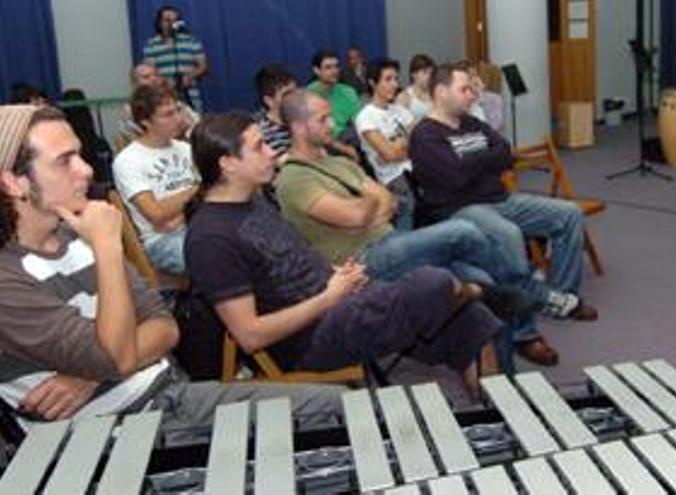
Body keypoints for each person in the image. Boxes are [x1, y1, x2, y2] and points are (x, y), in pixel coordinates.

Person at [0, 104, 342, 436]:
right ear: (14, 183)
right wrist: (107, 249)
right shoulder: (13, 276)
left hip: (168, 397)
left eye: (79, 154)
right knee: (333, 416)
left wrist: (91, 374)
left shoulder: (80, 235)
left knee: (338, 406)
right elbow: (115, 357)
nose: (86, 170)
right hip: (107, 435)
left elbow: (164, 326)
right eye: (64, 161)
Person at [184, 112, 502, 394]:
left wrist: (336, 272)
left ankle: (496, 411)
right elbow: (250, 335)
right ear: (227, 163)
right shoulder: (210, 239)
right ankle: (473, 291)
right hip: (310, 338)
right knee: (434, 283)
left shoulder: (252, 201)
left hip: (339, 300)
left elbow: (289, 262)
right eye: (258, 147)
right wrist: (329, 297)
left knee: (470, 318)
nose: (271, 152)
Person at [276, 89, 576, 368]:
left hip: (391, 242)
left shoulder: (339, 163)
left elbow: (389, 200)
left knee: (484, 283)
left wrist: (368, 208)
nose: (332, 124)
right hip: (362, 262)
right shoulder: (293, 179)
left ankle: (507, 383)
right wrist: (369, 203)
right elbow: (357, 215)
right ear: (299, 127)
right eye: (322, 119)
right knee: (462, 231)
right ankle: (539, 294)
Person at [410, 62, 598, 321]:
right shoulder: (424, 135)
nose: (471, 94)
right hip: (461, 209)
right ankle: (529, 319)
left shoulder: (471, 121)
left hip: (500, 199)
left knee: (569, 214)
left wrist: (471, 160)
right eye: (464, 89)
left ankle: (563, 298)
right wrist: (484, 158)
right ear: (441, 91)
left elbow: (505, 154)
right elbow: (455, 177)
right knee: (508, 235)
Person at [112, 84, 199, 274]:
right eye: (168, 114)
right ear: (145, 122)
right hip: (161, 242)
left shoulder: (186, 149)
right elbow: (156, 213)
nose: (178, 119)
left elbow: (211, 194)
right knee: (216, 256)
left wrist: (178, 213)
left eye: (177, 110)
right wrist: (195, 190)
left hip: (196, 226)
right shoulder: (128, 160)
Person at [355, 58, 416, 230]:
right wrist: (404, 143)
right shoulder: (366, 116)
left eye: (396, 79)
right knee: (410, 200)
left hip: (415, 167)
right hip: (393, 177)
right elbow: (388, 156)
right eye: (388, 79)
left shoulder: (400, 110)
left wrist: (397, 146)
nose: (395, 84)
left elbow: (422, 142)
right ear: (373, 83)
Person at [142, 5, 209, 112]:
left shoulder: (191, 41)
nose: (171, 24)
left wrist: (190, 76)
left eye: (175, 20)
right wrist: (165, 81)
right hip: (164, 96)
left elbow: (203, 66)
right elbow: (149, 71)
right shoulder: (151, 45)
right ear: (159, 23)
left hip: (190, 96)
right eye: (167, 20)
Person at [117, 64, 199, 146]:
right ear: (135, 84)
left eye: (156, 75)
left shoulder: (176, 104)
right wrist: (176, 133)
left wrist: (188, 130)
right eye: (146, 77)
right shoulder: (130, 111)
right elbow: (139, 140)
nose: (153, 79)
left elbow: (198, 127)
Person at [307, 49, 361, 140]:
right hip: (320, 141)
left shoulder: (348, 92)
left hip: (347, 138)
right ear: (317, 70)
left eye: (336, 66)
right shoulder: (308, 94)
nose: (334, 71)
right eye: (328, 67)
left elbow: (359, 123)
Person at [253, 64, 298, 156]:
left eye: (295, 92)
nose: (294, 98)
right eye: (286, 94)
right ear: (269, 101)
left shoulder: (302, 117)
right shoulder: (262, 133)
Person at [396, 54, 435, 121]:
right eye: (425, 72)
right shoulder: (404, 97)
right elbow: (400, 125)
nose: (429, 76)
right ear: (413, 74)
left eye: (431, 73)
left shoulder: (435, 94)